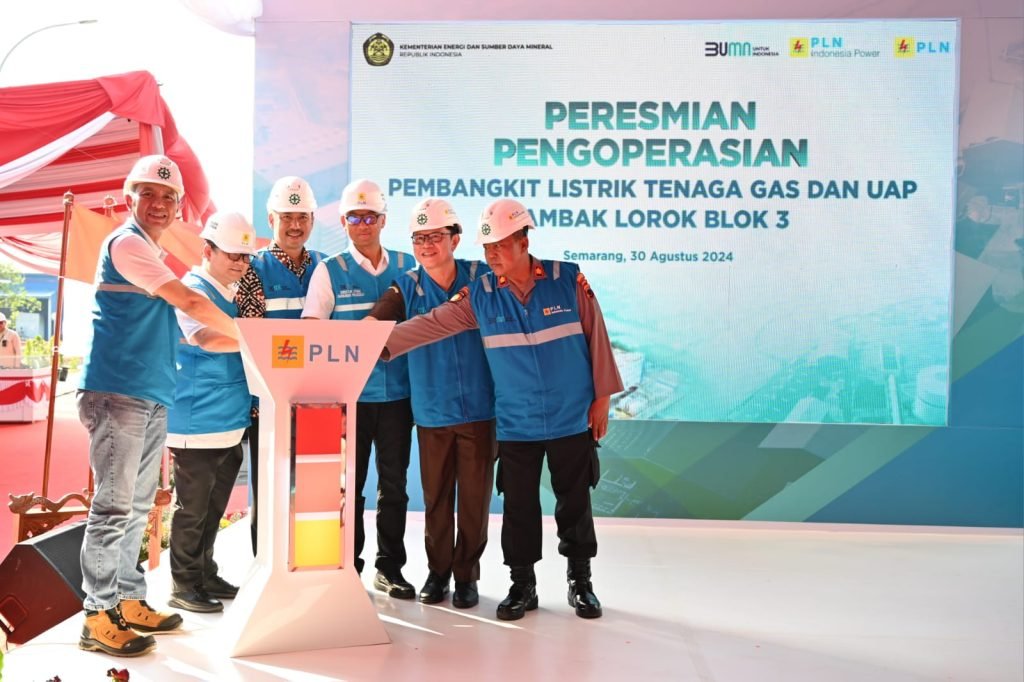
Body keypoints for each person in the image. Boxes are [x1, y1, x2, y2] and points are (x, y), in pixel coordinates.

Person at [382, 198, 623, 621]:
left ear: (524, 242)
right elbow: (433, 323)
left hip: (570, 416)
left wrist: (602, 398)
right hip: (516, 423)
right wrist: (372, 346)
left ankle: (580, 582)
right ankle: (522, 585)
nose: (492, 254)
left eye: (500, 245)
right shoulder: (482, 294)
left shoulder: (567, 279)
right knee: (519, 509)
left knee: (574, 504)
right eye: (487, 247)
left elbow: (596, 335)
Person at [77, 155, 240, 657]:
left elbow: (197, 333)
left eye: (169, 196)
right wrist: (254, 339)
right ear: (130, 198)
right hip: (117, 391)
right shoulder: (127, 244)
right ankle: (97, 615)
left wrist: (249, 345)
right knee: (114, 505)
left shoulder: (151, 253)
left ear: (178, 207)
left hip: (150, 394)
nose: (159, 203)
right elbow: (191, 304)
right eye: (148, 193)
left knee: (138, 506)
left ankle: (127, 600)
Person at [366, 198, 496, 608]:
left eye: (435, 236)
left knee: (474, 500)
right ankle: (438, 573)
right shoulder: (406, 286)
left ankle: (467, 576)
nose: (426, 245)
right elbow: (375, 321)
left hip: (480, 410)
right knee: (436, 499)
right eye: (418, 238)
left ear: (455, 239)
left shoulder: (482, 276)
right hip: (432, 412)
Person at [302, 179, 417, 598]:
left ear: (383, 220)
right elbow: (312, 334)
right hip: (349, 400)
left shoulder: (407, 265)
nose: (363, 225)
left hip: (399, 397)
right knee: (349, 486)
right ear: (343, 222)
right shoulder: (330, 270)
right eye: (355, 217)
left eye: (370, 217)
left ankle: (390, 568)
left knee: (395, 486)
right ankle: (348, 565)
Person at [165, 212, 257, 613]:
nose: (240, 263)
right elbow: (205, 338)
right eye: (232, 254)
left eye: (245, 256)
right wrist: (259, 342)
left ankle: (204, 571)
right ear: (208, 251)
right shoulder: (192, 289)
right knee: (192, 509)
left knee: (213, 507)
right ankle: (184, 584)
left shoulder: (230, 292)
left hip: (229, 419)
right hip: (197, 418)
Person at [234, 176, 323, 555]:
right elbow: (249, 339)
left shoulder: (325, 267)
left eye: (302, 217)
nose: (295, 225)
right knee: (270, 491)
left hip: (319, 404)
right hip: (270, 405)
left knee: (315, 494)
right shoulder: (254, 268)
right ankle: (267, 566)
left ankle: (309, 566)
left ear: (313, 220)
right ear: (271, 219)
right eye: (287, 217)